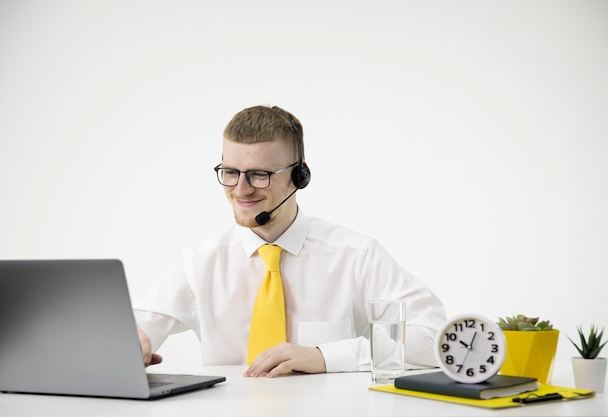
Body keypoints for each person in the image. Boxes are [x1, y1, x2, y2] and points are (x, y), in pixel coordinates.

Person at [134, 105, 447, 378]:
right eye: (230, 172)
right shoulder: (201, 263)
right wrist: (134, 343)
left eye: (259, 175)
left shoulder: (355, 256)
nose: (241, 190)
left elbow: (435, 337)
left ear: (300, 176)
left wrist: (326, 356)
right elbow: (135, 328)